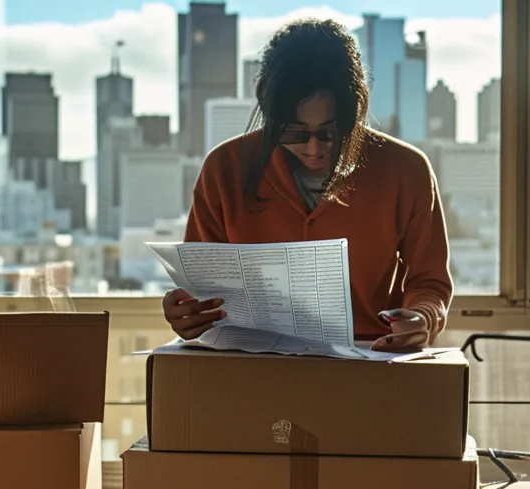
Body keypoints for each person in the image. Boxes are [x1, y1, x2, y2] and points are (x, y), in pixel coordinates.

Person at [161, 18, 452, 352]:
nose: (314, 149)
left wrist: (421, 318)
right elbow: (202, 289)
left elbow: (428, 281)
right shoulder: (224, 168)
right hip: (251, 362)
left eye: (332, 131)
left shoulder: (405, 169)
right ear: (268, 109)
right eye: (293, 132)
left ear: (355, 112)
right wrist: (186, 313)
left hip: (370, 360)